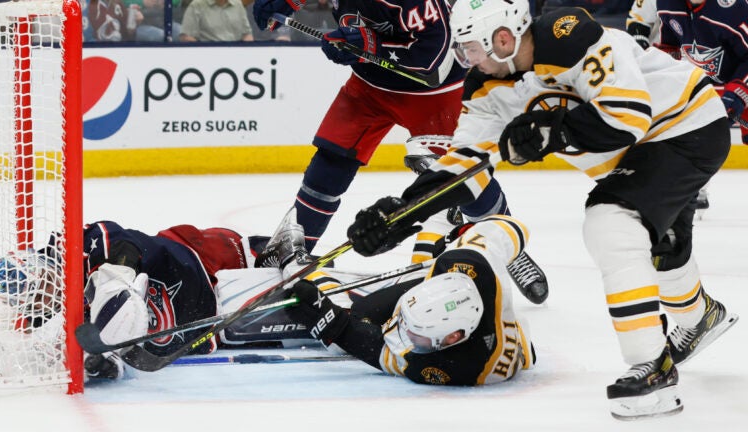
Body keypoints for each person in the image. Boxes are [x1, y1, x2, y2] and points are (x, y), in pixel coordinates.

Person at [346, 0, 738, 419]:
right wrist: (403, 213)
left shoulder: (571, 37)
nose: (467, 60)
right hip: (637, 157)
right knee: (663, 249)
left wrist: (555, 132)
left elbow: (629, 115)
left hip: (686, 126)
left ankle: (652, 368)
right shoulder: (485, 89)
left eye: (471, 48)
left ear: (503, 38)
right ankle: (701, 318)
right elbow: (465, 166)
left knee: (612, 223)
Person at [250, 0, 549, 305]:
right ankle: (294, 253)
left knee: (459, 174)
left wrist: (370, 43)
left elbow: (433, 51)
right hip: (369, 84)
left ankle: (510, 247)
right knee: (331, 161)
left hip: (432, 90)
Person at [0, 213, 370, 381]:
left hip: (201, 265)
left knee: (294, 279)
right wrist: (101, 364)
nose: (43, 296)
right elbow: (118, 358)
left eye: (39, 284)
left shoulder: (79, 246)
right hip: (210, 324)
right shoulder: (67, 323)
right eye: (34, 299)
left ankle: (274, 250)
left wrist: (117, 272)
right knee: (297, 322)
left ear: (43, 265)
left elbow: (122, 239)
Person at [285, 214, 535, 386]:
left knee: (355, 319)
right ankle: (444, 217)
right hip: (459, 280)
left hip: (491, 337)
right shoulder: (467, 259)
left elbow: (383, 350)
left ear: (453, 338)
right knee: (438, 254)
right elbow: (513, 226)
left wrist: (333, 325)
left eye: (418, 336)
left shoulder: (460, 367)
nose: (401, 333)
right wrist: (463, 234)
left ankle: (294, 262)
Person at [626, 0, 748, 210]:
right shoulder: (666, 3)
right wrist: (660, 68)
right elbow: (670, 43)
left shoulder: (735, 9)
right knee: (688, 133)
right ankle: (692, 187)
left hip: (737, 81)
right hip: (702, 82)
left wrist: (738, 93)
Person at [179, 0, 254, 42]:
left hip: (236, 56)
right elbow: (186, 37)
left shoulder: (238, 4)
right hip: (208, 56)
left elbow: (247, 34)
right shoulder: (196, 5)